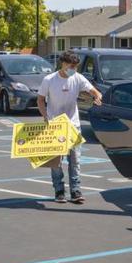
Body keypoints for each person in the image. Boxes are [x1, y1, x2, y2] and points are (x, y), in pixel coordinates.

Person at [38, 50, 103, 204]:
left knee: (75, 159)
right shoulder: (49, 80)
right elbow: (40, 100)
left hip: (73, 125)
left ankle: (76, 190)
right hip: (55, 125)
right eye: (71, 66)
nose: (73, 69)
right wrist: (45, 117)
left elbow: (94, 91)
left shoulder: (77, 78)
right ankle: (59, 190)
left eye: (75, 66)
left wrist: (97, 97)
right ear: (63, 63)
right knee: (56, 161)